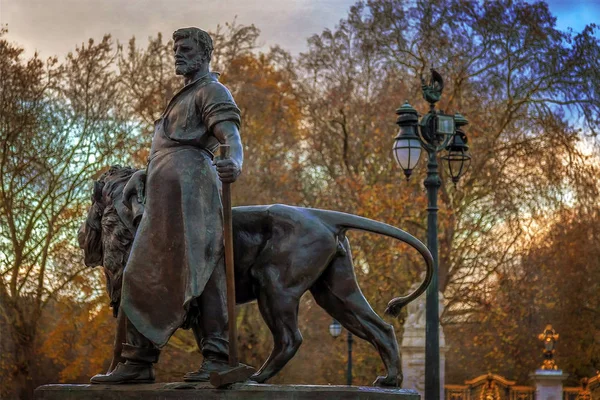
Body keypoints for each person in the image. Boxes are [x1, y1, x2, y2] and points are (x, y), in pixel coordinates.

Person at [91, 27, 243, 384]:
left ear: (204, 53)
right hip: (164, 199)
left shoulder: (211, 90)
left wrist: (234, 162)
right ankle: (139, 361)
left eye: (185, 48)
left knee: (201, 270)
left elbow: (231, 137)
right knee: (139, 273)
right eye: (175, 48)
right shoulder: (183, 95)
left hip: (192, 194)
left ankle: (216, 356)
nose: (177, 54)